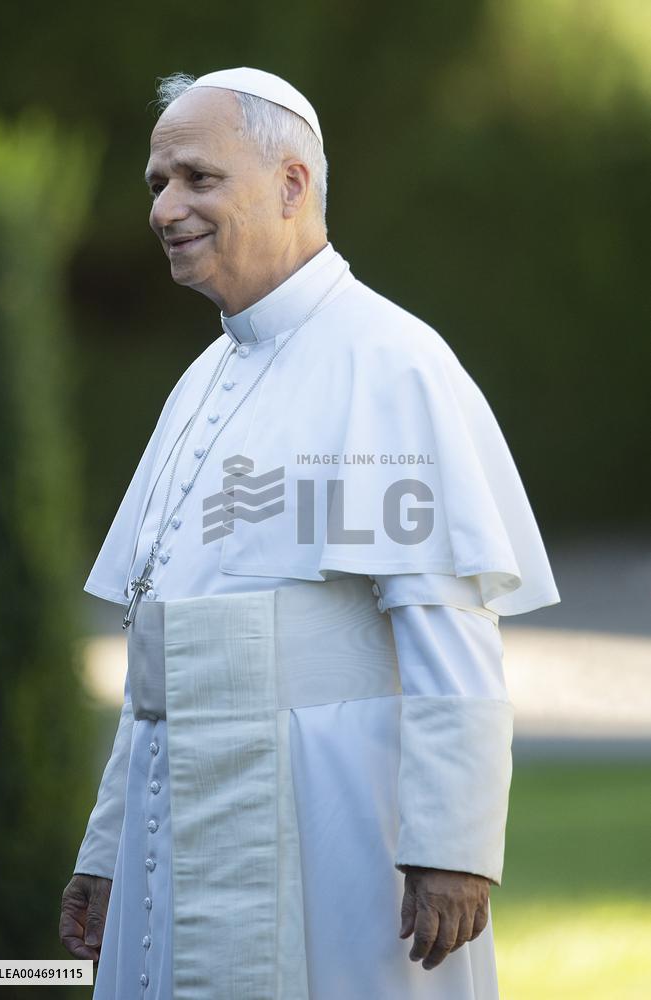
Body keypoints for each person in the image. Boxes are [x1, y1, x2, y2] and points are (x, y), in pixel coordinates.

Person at [59, 67, 560, 999]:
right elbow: (158, 652)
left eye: (197, 179)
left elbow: (447, 628)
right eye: (157, 183)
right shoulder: (201, 379)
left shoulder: (387, 363)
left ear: (291, 184)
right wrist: (107, 847)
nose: (166, 208)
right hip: (182, 815)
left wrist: (451, 845)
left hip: (330, 821)